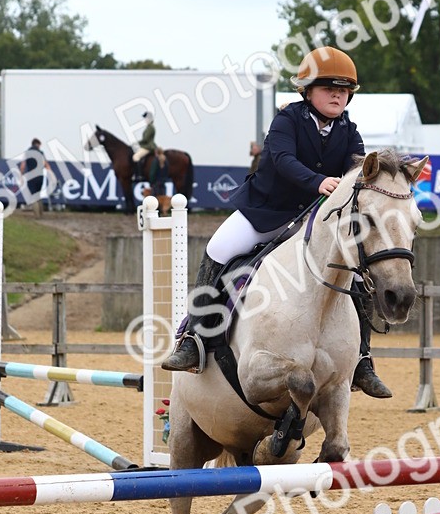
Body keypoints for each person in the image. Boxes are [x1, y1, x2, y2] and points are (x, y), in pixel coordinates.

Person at [161, 46, 392, 398]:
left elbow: (357, 171)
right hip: (266, 212)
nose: (337, 95)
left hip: (312, 222)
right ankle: (195, 337)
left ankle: (361, 360)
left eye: (344, 90)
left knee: (355, 270)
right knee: (219, 248)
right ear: (307, 91)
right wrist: (318, 182)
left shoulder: (349, 131)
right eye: (329, 87)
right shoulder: (287, 120)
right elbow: (283, 160)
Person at [19, 138, 53, 217]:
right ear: (38, 144)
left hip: (31, 176)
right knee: (38, 195)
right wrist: (51, 175)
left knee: (33, 196)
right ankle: (41, 214)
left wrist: (21, 176)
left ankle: (37, 216)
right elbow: (46, 165)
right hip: (40, 176)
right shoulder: (41, 153)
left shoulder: (27, 153)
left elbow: (22, 166)